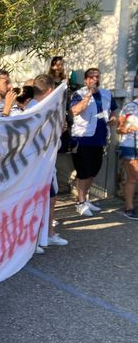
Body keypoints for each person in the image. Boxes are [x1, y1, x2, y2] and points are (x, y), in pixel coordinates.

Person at [69, 68, 118, 216]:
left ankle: (86, 199)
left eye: (97, 77)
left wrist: (114, 118)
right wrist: (89, 94)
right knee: (83, 173)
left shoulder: (107, 93)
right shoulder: (79, 94)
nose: (94, 80)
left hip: (100, 138)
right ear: (85, 80)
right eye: (91, 77)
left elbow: (114, 110)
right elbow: (75, 111)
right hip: (82, 138)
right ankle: (80, 202)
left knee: (93, 171)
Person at [31, 74, 68, 249]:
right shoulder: (32, 110)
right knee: (37, 202)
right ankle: (34, 238)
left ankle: (47, 234)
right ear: (51, 91)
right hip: (36, 167)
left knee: (51, 200)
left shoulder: (44, 108)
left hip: (47, 164)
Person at [116, 96, 138, 219]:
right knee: (133, 177)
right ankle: (129, 208)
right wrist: (129, 129)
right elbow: (119, 129)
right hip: (131, 146)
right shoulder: (130, 107)